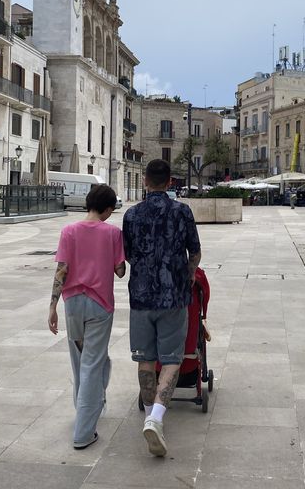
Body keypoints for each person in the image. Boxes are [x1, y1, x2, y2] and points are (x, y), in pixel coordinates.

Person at [123, 159, 202, 457]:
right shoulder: (182, 211)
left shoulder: (130, 215)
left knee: (145, 360)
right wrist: (189, 272)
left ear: (145, 181)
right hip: (174, 297)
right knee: (171, 359)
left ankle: (148, 416)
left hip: (141, 297)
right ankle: (156, 418)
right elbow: (194, 251)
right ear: (170, 182)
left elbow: (128, 253)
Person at [48, 185, 126, 450]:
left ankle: (88, 407)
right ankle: (84, 431)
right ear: (107, 209)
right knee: (92, 364)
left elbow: (62, 270)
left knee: (81, 361)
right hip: (100, 305)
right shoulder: (113, 233)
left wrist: (52, 307)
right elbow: (120, 271)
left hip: (72, 304)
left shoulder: (68, 231)